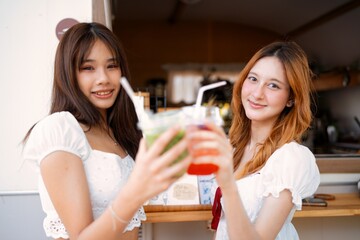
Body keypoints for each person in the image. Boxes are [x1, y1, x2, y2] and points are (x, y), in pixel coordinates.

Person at [22, 22, 191, 240]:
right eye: (88, 68)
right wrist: (137, 189)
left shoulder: (119, 134)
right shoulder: (60, 129)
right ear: (68, 74)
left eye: (112, 66)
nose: (103, 78)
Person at [186, 41, 320, 239]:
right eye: (253, 79)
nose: (257, 94)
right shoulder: (235, 147)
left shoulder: (291, 159)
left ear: (291, 98)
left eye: (273, 85)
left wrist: (228, 184)